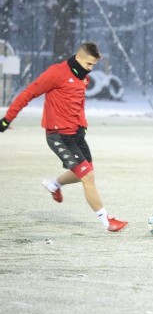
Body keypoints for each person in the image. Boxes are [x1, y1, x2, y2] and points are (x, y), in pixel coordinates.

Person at [0, 42, 128, 232]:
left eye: (93, 65)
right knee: (88, 177)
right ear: (78, 59)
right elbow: (28, 93)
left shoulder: (84, 78)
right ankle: (107, 221)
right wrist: (6, 120)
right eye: (88, 65)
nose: (90, 69)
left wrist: (82, 126)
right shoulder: (56, 73)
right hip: (58, 135)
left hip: (76, 135)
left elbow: (79, 103)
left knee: (85, 173)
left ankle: (54, 184)